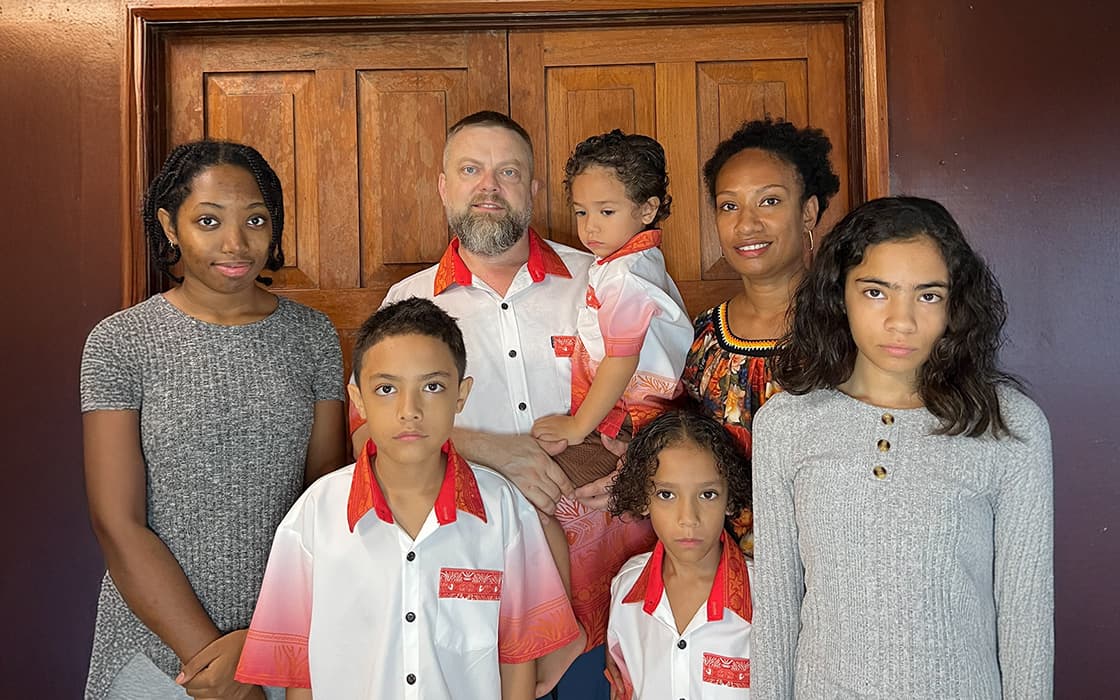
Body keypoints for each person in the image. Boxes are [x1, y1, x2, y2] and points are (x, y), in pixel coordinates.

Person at [348, 111, 656, 696]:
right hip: (469, 603)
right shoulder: (407, 302)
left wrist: (640, 472)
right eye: (471, 170)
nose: (489, 186)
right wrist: (491, 450)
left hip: (608, 589)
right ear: (444, 185)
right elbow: (366, 441)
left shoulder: (605, 280)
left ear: (533, 189)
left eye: (508, 171)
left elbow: (668, 404)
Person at [751, 196, 1054, 698]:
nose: (902, 321)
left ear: (956, 303)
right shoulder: (785, 425)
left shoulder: (1011, 426)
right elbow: (778, 609)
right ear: (838, 294)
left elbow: (1027, 615)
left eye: (928, 295)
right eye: (875, 292)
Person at [80, 140, 346, 700]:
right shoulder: (120, 342)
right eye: (208, 220)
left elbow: (323, 504)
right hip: (155, 657)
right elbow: (117, 524)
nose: (235, 242)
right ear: (169, 226)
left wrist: (261, 651)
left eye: (255, 219)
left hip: (285, 644)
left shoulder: (313, 337)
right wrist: (212, 663)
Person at [235, 298, 581, 699]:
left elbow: (518, 658)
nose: (409, 410)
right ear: (358, 399)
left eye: (432, 387)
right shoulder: (314, 516)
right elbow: (300, 674)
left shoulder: (503, 509)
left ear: (461, 395)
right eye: (386, 389)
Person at [679, 117, 841, 557]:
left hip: (831, 572)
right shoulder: (701, 337)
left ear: (808, 211)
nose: (746, 224)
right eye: (729, 206)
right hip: (724, 583)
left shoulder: (849, 328)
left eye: (769, 201)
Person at [531, 129, 693, 487]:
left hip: (631, 417)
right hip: (629, 413)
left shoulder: (626, 276)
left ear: (647, 209)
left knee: (546, 482)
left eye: (606, 211)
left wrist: (577, 426)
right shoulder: (629, 260)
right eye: (581, 211)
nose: (590, 226)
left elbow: (622, 360)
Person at [606, 410, 754, 700]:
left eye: (708, 494)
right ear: (642, 499)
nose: (688, 518)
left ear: (729, 498)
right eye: (666, 495)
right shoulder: (626, 589)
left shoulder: (766, 598)